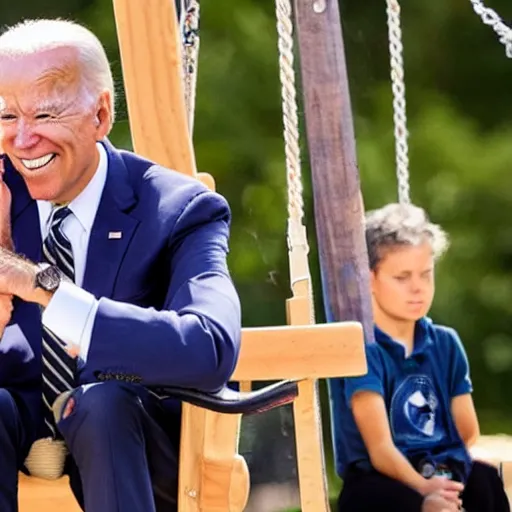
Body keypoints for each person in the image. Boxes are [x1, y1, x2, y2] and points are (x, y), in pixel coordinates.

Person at [0, 18, 241, 512]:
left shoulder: (180, 209)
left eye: (44, 114)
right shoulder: (3, 194)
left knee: (102, 402)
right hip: (19, 426)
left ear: (101, 115)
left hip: (132, 448)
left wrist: (42, 285)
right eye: (5, 116)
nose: (22, 140)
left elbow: (211, 347)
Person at [335, 203, 509, 512]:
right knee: (397, 501)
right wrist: (424, 490)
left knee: (484, 480)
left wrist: (443, 479)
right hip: (381, 478)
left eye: (425, 275)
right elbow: (380, 449)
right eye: (402, 277)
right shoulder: (363, 350)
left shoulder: (446, 343)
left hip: (437, 468)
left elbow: (466, 431)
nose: (417, 288)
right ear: (370, 279)